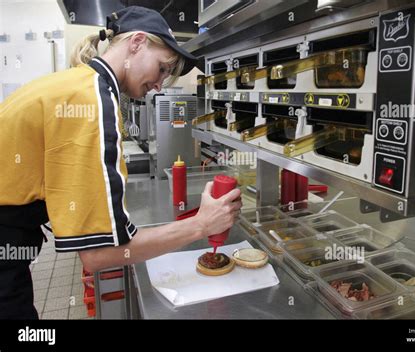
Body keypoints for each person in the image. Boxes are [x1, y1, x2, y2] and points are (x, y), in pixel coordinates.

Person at [0, 6, 242, 319]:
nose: (159, 84)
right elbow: (98, 256)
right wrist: (201, 224)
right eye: (162, 69)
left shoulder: (80, 84)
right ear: (137, 43)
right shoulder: (92, 99)